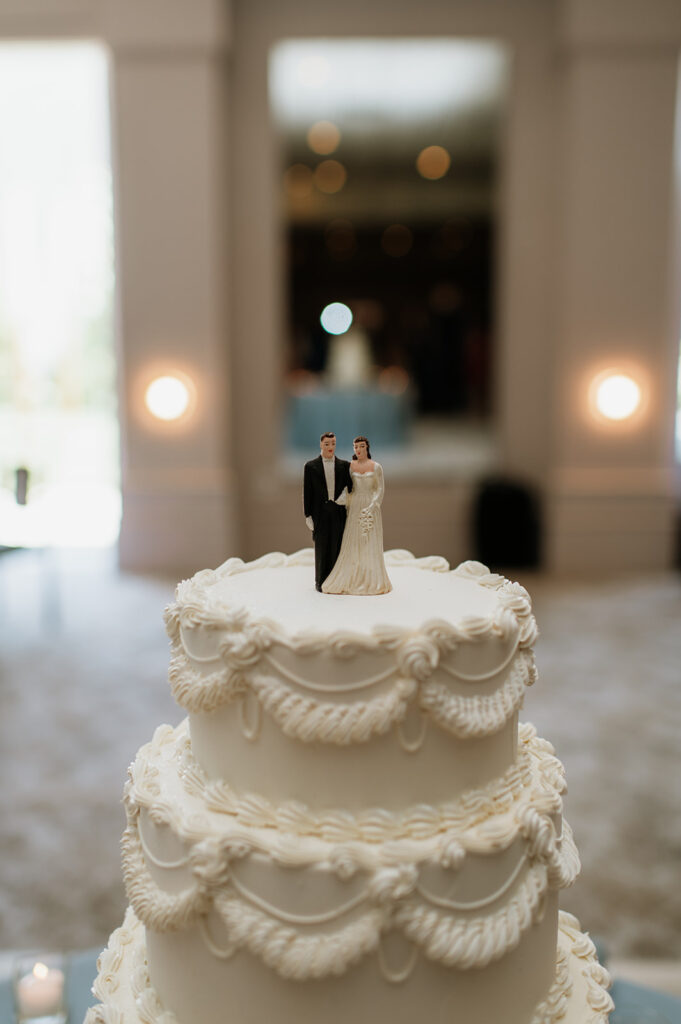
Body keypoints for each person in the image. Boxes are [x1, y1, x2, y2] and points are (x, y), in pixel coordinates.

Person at [322, 436, 392, 595]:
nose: (358, 450)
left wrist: (374, 504)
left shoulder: (376, 467)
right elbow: (345, 486)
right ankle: (352, 575)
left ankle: (371, 578)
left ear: (367, 447)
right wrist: (341, 499)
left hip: (369, 504)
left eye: (361, 446)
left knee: (368, 539)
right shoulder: (349, 466)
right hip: (354, 504)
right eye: (356, 447)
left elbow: (380, 489)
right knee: (353, 539)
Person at [303, 432, 354, 592]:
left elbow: (351, 488)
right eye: (327, 444)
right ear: (321, 445)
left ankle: (337, 580)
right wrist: (308, 515)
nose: (330, 447)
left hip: (338, 512)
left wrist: (345, 498)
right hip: (320, 513)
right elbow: (307, 493)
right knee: (322, 547)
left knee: (338, 545)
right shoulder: (311, 467)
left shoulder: (344, 466)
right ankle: (321, 581)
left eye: (333, 444)